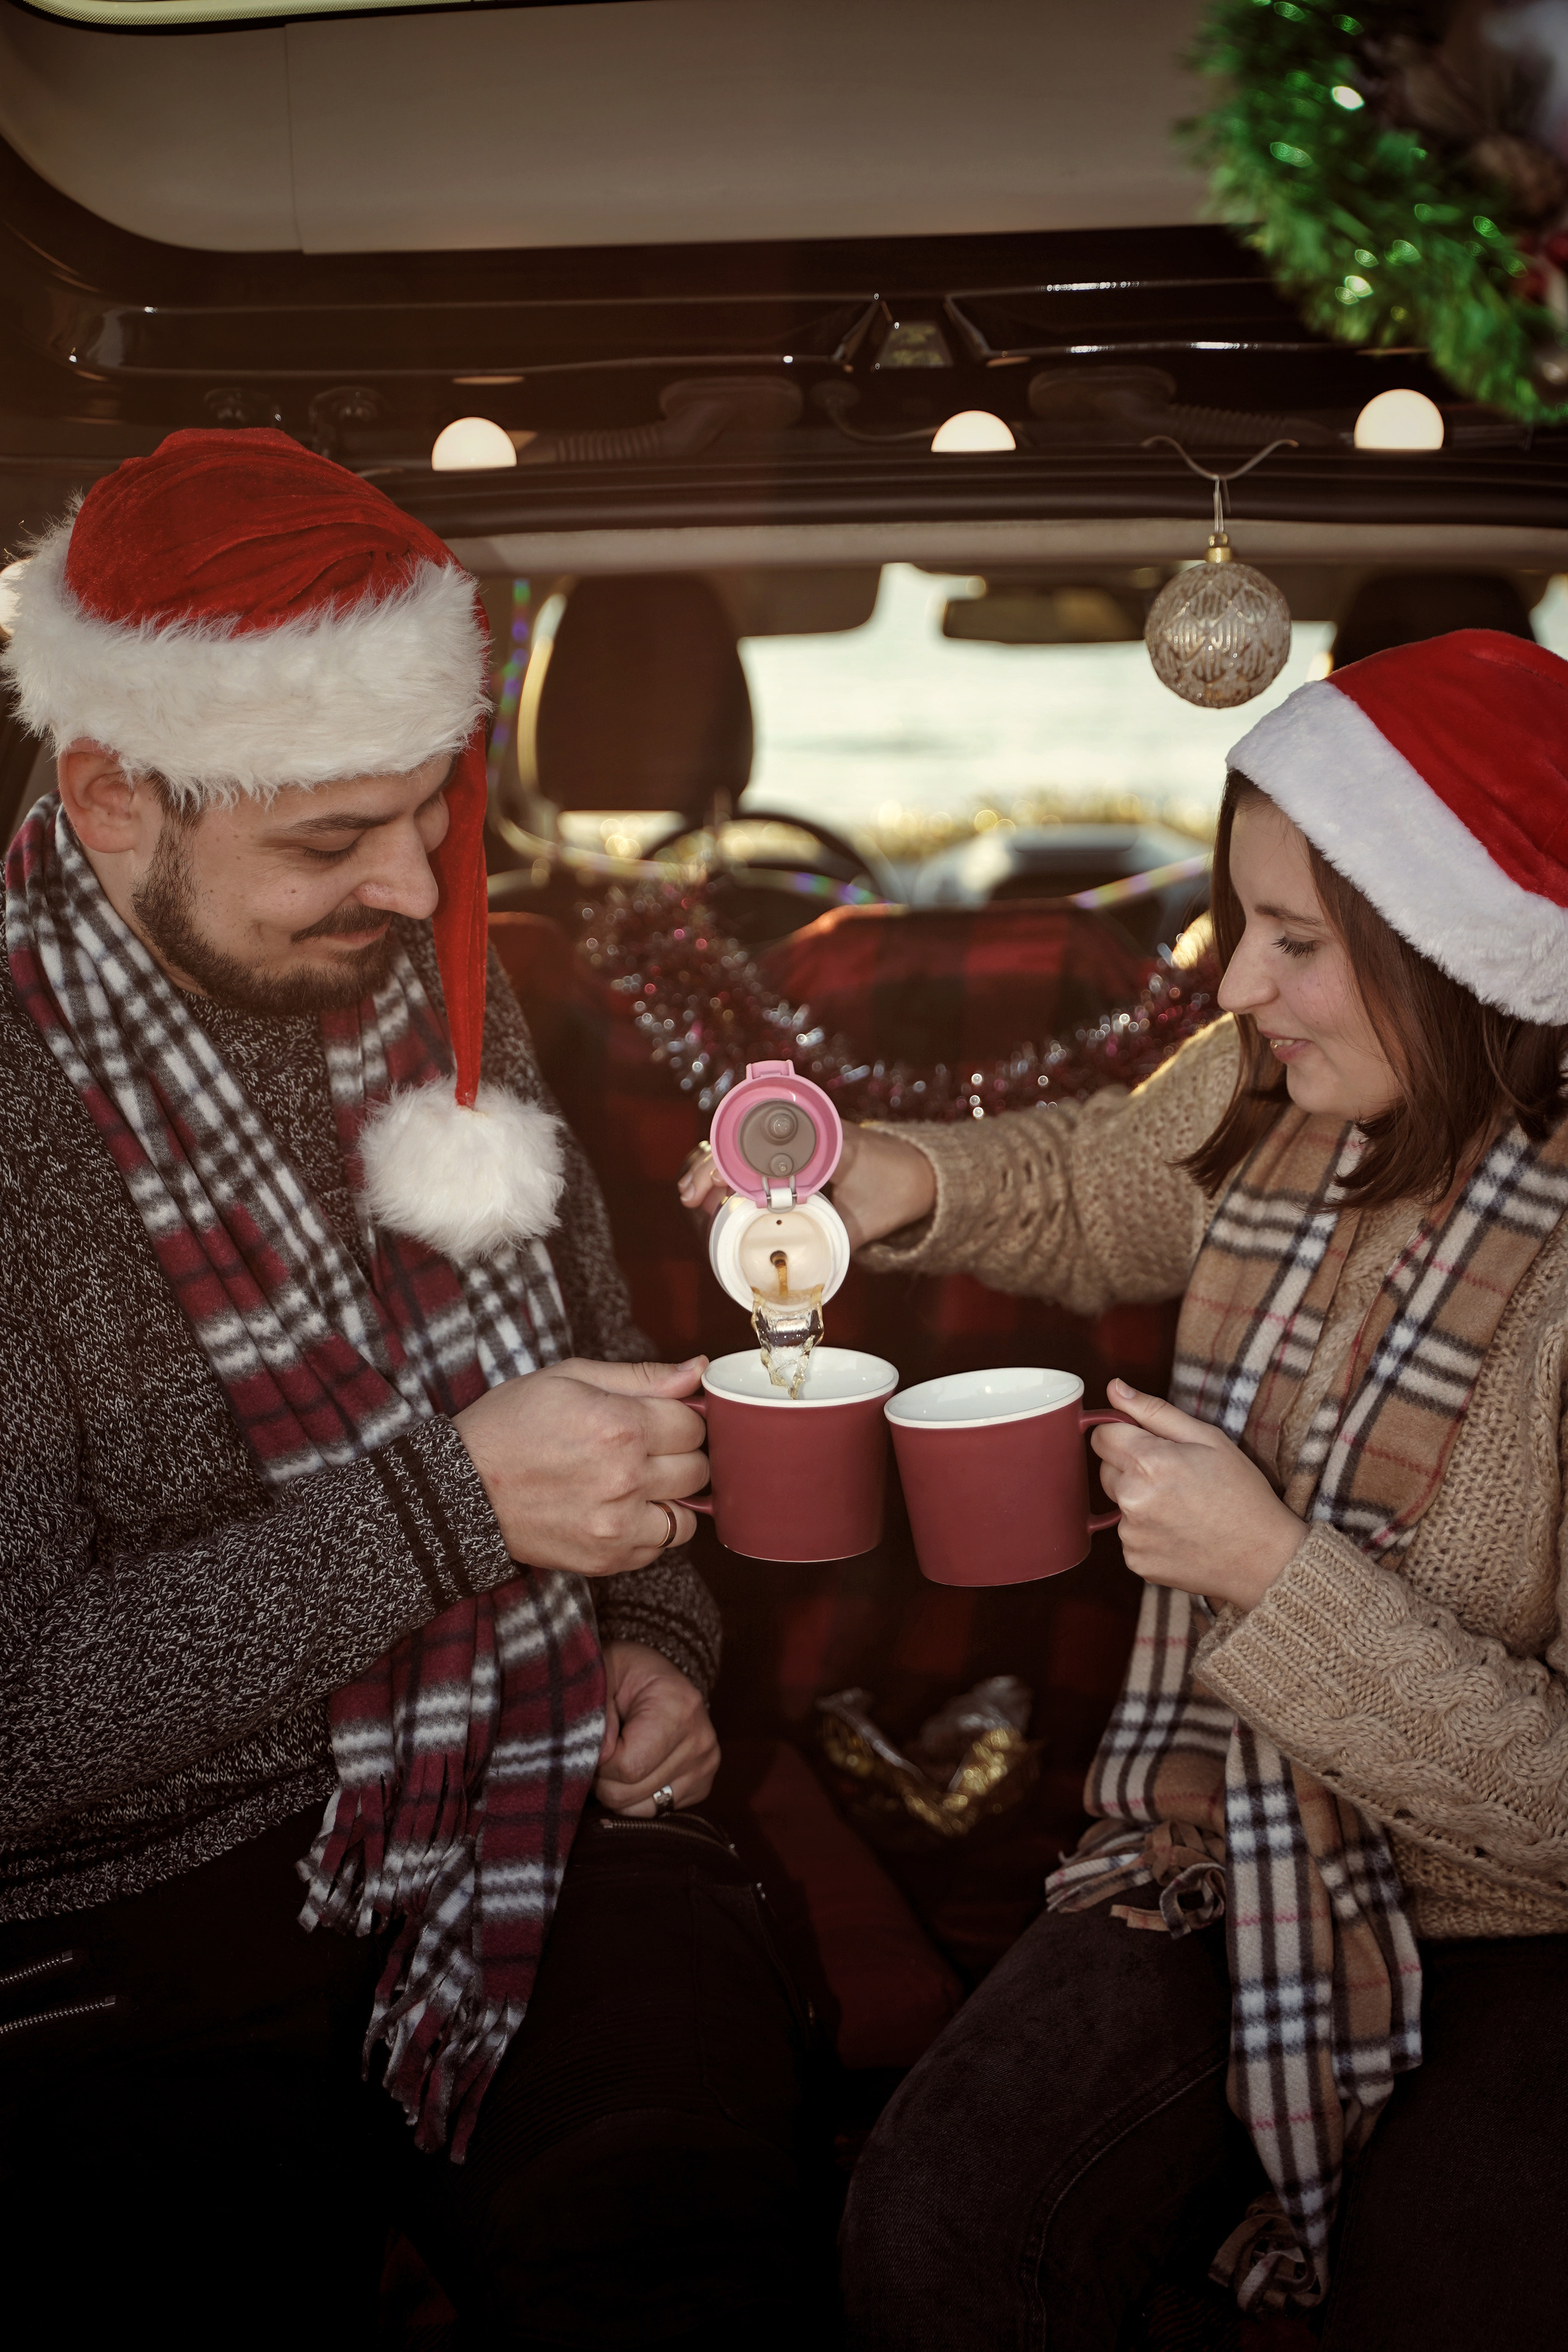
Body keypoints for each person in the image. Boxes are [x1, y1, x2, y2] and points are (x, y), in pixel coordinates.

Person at [0, 431, 819, 2348]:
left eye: (432, 808)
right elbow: (19, 1732)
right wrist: (454, 1509)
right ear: (114, 792)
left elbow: (614, 1402)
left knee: (702, 2251)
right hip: (133, 1935)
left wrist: (662, 1640)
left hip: (535, 1802)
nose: (419, 879)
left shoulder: (438, 983)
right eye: (327, 838)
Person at [683, 626, 1568, 2348]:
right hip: (1206, 1836)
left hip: (1515, 1918)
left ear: (1468, 962)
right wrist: (889, 1175)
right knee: (931, 2241)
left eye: (1300, 945)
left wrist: (1269, 1572)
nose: (1237, 985)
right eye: (1245, 923)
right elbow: (1097, 1185)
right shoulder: (1275, 1089)